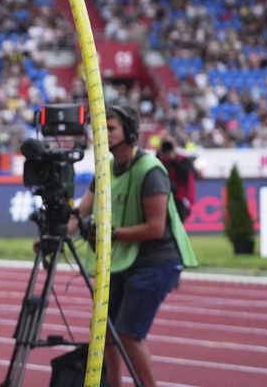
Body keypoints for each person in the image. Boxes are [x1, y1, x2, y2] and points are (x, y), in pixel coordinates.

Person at [69, 105, 197, 387]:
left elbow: (155, 227)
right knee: (104, 329)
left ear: (130, 132)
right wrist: (52, 231)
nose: (103, 135)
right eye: (100, 130)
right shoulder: (105, 170)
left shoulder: (150, 171)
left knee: (127, 334)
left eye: (110, 129)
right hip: (123, 258)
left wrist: (110, 234)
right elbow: (81, 215)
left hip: (155, 260)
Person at [158, 138, 196, 222]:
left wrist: (173, 160)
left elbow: (186, 174)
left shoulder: (183, 160)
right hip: (164, 198)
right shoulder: (160, 161)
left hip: (180, 198)